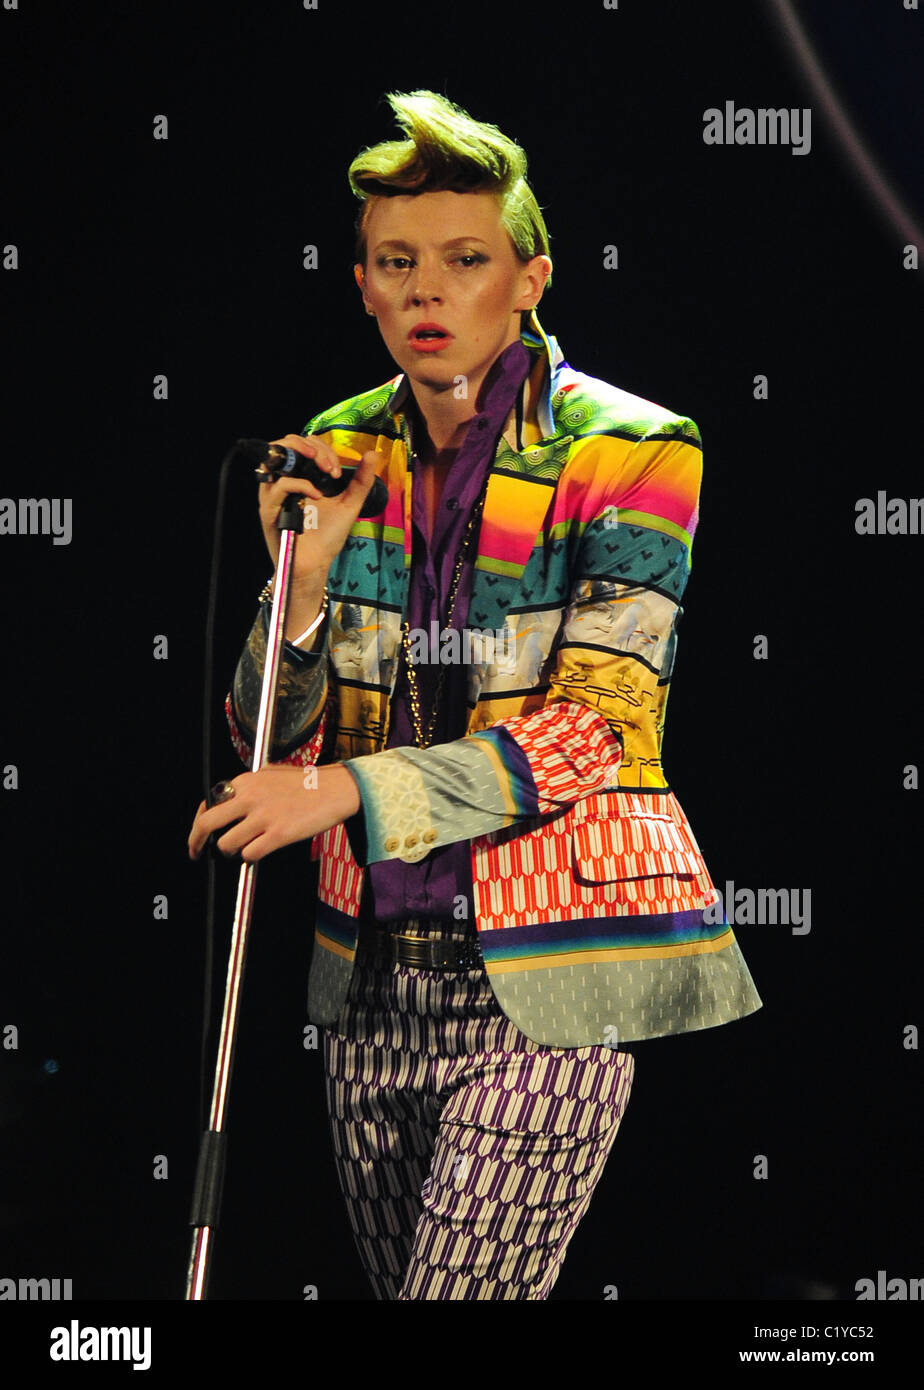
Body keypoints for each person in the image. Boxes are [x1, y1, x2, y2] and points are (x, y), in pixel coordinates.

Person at [188, 89, 762, 1301]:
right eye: (396, 263)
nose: (427, 291)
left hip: (551, 979)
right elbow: (261, 736)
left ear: (531, 278)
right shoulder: (339, 446)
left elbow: (594, 731)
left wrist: (337, 788)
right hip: (371, 976)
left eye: (464, 260)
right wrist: (301, 589)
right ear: (362, 286)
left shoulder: (634, 448)